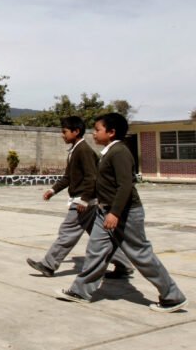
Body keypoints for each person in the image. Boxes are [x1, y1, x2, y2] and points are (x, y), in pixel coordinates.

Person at [56, 113, 188, 312]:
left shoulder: (120, 152)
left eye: (98, 129)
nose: (94, 133)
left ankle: (172, 296)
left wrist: (115, 213)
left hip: (125, 213)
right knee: (96, 251)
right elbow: (100, 183)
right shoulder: (107, 152)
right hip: (104, 211)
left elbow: (125, 185)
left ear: (111, 132)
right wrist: (89, 200)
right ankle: (80, 290)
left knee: (140, 254)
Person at [27, 115, 133, 278]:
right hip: (84, 199)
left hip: (84, 201)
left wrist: (84, 199)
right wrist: (53, 190)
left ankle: (49, 265)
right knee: (101, 236)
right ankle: (124, 265)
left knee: (68, 231)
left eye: (65, 132)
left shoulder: (83, 150)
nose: (63, 135)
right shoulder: (75, 150)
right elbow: (68, 177)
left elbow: (92, 177)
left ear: (76, 132)